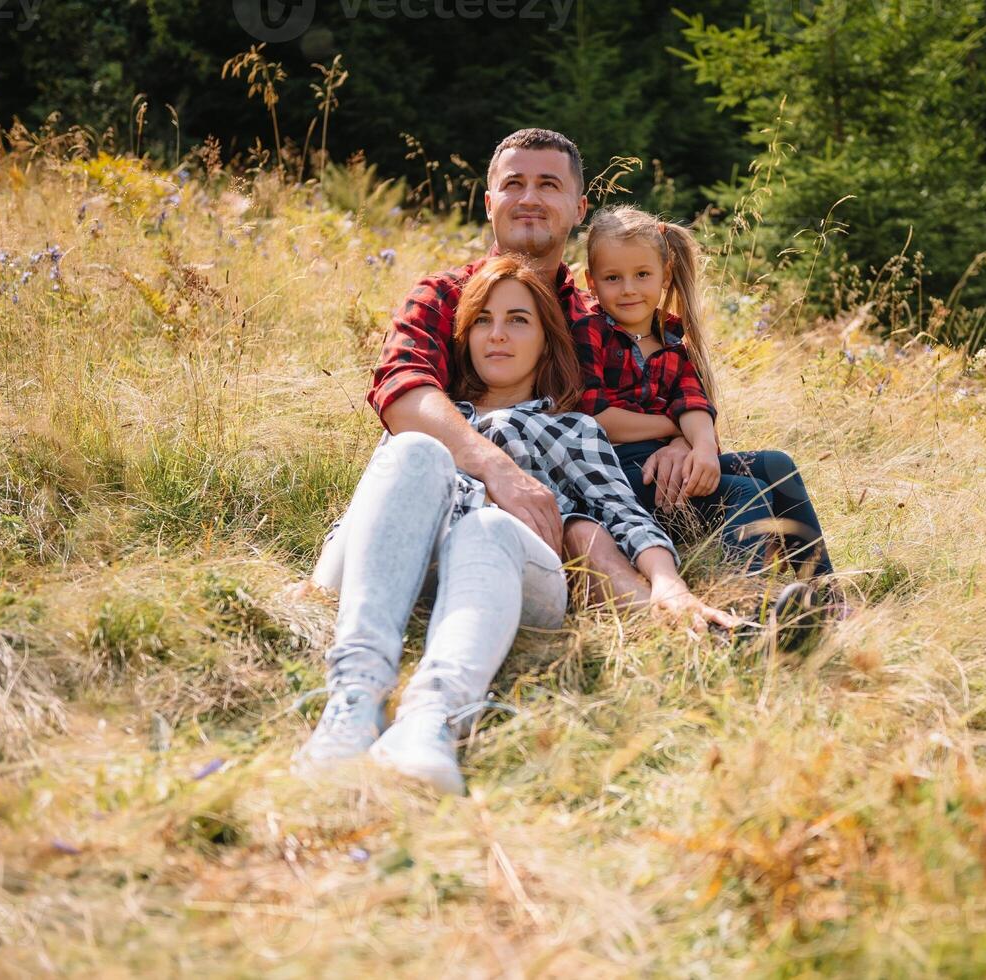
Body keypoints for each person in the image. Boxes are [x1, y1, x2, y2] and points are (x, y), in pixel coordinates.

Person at [295, 255, 739, 794]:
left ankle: (430, 721)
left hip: (502, 575)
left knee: (489, 528)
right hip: (397, 565)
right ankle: (352, 703)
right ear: (465, 337)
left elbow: (623, 513)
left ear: (546, 340)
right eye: (483, 320)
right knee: (414, 449)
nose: (498, 335)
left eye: (518, 320)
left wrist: (669, 585)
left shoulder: (570, 427)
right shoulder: (433, 416)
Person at [368, 128, 696, 609]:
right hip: (471, 497)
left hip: (599, 485)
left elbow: (661, 382)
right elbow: (401, 388)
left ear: (580, 208)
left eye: (548, 185)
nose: (529, 199)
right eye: (514, 184)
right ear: (488, 202)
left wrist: (686, 438)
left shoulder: (597, 314)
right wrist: (495, 467)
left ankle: (778, 609)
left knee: (745, 482)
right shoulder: (444, 294)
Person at [575, 204, 836, 587]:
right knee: (744, 492)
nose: (628, 288)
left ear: (665, 276)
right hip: (619, 478)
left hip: (670, 468)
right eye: (613, 277)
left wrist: (700, 449)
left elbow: (693, 402)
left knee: (776, 465)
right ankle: (743, 600)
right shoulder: (591, 332)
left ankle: (825, 591)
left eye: (642, 274)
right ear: (592, 282)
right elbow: (596, 418)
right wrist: (672, 428)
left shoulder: (673, 341)